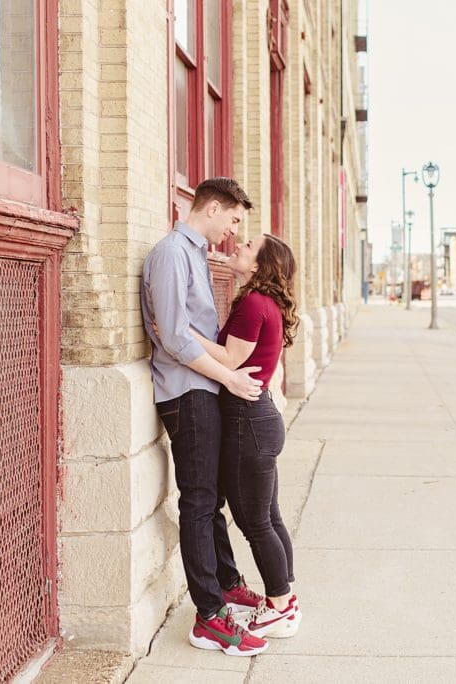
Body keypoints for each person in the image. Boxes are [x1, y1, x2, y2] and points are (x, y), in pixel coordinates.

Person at [141, 178, 269, 657]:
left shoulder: (194, 253)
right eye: (233, 219)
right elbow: (173, 337)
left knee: (210, 497)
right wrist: (230, 377)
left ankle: (227, 583)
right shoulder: (173, 253)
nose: (234, 232)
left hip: (202, 386)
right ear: (212, 208)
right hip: (186, 393)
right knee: (198, 500)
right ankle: (209, 617)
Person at [188, 232, 302, 639]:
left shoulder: (254, 302)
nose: (239, 245)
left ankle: (279, 606)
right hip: (261, 421)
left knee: (255, 524)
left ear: (258, 265)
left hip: (248, 423)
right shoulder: (264, 302)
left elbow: (231, 359)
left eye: (248, 246)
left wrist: (182, 334)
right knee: (268, 517)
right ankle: (285, 602)